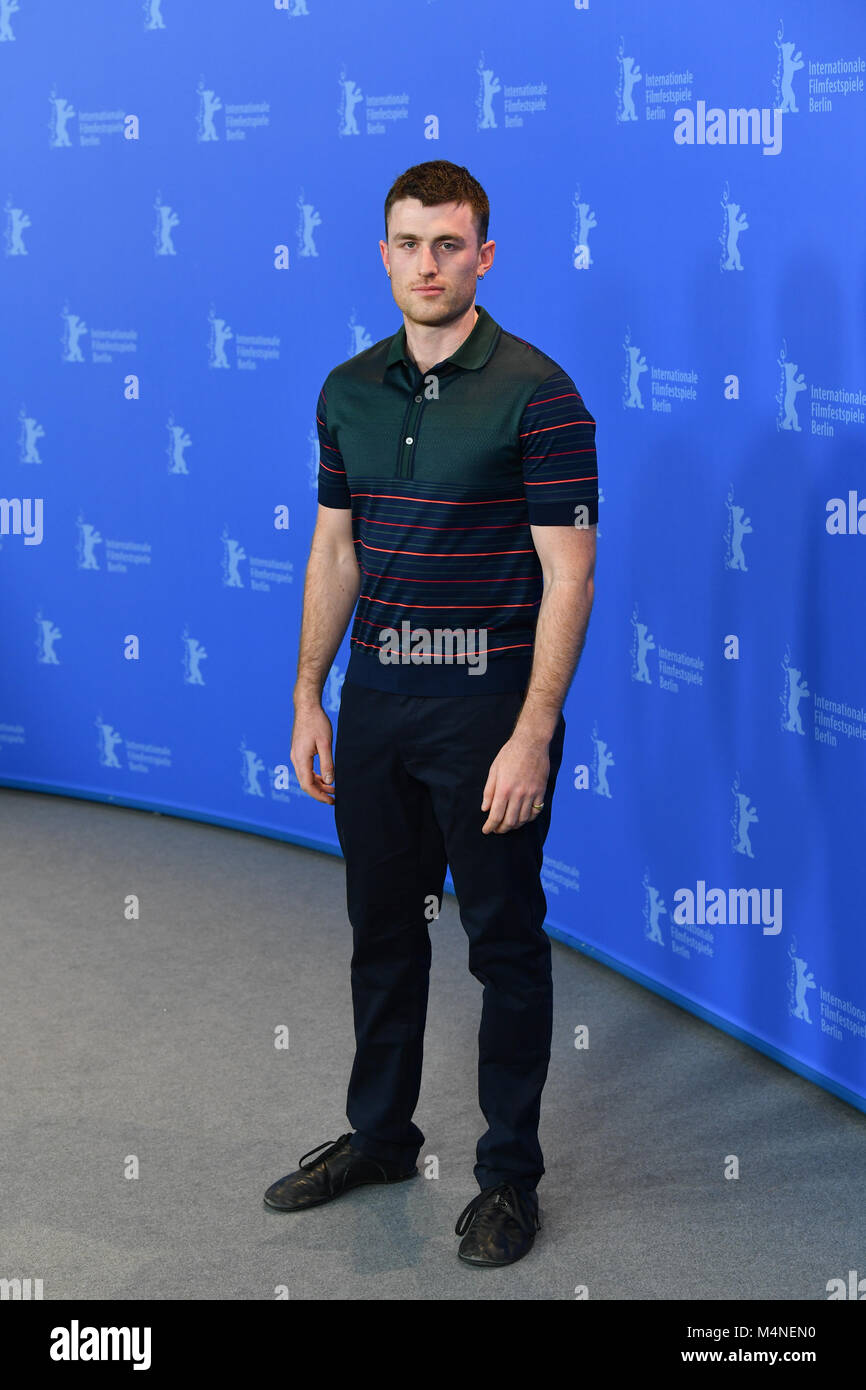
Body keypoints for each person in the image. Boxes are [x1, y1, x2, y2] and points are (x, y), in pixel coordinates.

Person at [264, 160, 598, 1268]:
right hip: (375, 708)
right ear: (382, 254)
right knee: (380, 931)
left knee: (501, 944)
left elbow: (568, 577)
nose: (426, 264)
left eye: (448, 245)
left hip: (486, 714)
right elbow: (334, 549)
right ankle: (379, 1136)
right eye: (407, 243)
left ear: (483, 256)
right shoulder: (347, 389)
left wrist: (532, 732)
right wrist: (310, 693)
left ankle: (508, 1177)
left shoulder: (538, 394)